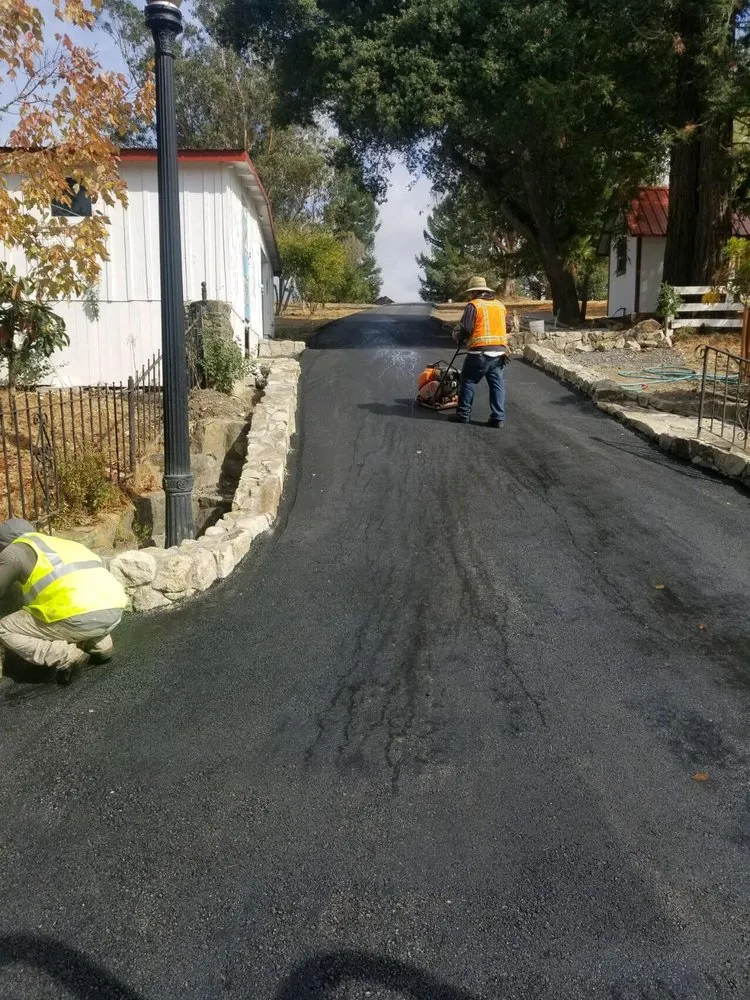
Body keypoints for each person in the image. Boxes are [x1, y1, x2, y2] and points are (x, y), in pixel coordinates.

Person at [0, 519, 127, 684]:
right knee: (79, 614)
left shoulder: (13, 552)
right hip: (114, 609)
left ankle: (67, 656)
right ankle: (101, 645)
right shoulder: (63, 543)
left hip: (76, 615)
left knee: (3, 628)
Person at [451, 276, 508, 427]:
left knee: (468, 381)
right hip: (500, 353)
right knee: (497, 384)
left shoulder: (474, 305)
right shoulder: (500, 306)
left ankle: (463, 414)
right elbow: (506, 326)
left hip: (479, 353)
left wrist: (457, 336)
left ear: (474, 292)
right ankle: (498, 418)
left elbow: (466, 328)